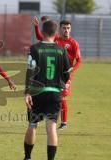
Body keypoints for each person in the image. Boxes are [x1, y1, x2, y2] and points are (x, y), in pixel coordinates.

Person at [24, 20, 71, 160]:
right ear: (56, 33)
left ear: (42, 32)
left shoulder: (34, 48)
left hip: (37, 93)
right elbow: (67, 73)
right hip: (54, 93)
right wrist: (60, 82)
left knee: (33, 124)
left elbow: (30, 71)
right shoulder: (61, 50)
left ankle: (27, 157)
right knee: (51, 127)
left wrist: (27, 92)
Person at [32, 19, 82, 129]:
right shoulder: (56, 39)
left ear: (70, 29)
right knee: (49, 94)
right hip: (54, 72)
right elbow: (40, 38)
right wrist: (36, 27)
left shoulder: (73, 43)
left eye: (68, 28)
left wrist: (71, 72)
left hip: (66, 74)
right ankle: (47, 116)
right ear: (60, 29)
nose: (66, 30)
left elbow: (79, 60)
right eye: (64, 28)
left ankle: (64, 122)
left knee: (62, 97)